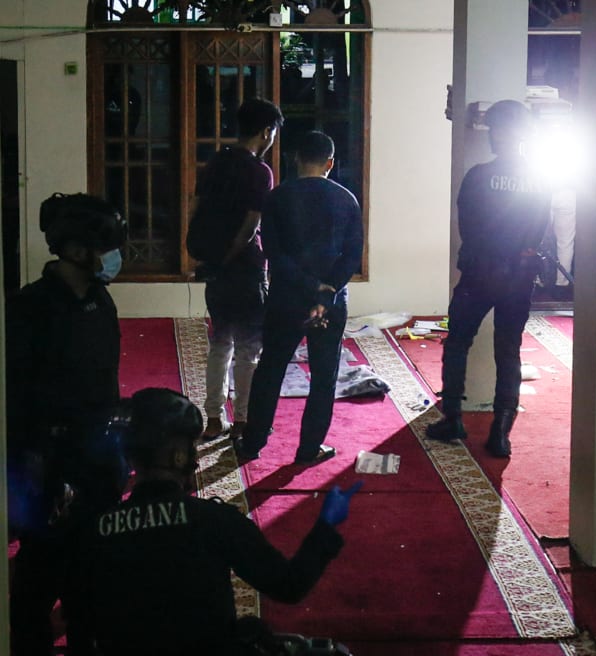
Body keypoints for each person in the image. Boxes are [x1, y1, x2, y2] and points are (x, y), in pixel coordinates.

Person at [62, 387, 362, 655]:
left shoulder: (94, 531)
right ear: (179, 457)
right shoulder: (214, 520)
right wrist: (325, 527)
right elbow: (289, 586)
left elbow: (78, 625)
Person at [6, 192, 128, 656]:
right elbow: (18, 398)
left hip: (96, 460)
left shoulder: (101, 301)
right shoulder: (29, 308)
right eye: (105, 248)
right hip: (47, 465)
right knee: (38, 580)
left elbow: (106, 378)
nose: (113, 258)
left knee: (92, 579)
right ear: (76, 250)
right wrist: (40, 468)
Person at [426, 99, 552, 458]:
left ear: (498, 134)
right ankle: (500, 433)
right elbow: (540, 229)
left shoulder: (479, 176)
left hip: (479, 273)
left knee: (457, 342)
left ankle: (452, 417)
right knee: (508, 350)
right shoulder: (540, 178)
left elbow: (466, 226)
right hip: (519, 276)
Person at [235, 131, 364, 465]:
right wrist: (326, 290)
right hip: (330, 301)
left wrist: (308, 287)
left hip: (286, 297)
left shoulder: (278, 198)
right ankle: (309, 449)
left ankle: (253, 442)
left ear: (296, 159)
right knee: (323, 376)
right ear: (330, 163)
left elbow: (274, 254)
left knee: (271, 368)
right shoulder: (346, 199)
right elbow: (352, 256)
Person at [190, 98, 284, 441]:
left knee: (220, 343)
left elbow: (195, 208)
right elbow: (250, 226)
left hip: (214, 267)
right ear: (266, 132)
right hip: (245, 268)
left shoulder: (216, 162)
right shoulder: (260, 172)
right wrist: (229, 257)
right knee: (248, 349)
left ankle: (214, 419)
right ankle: (243, 420)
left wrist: (209, 258)